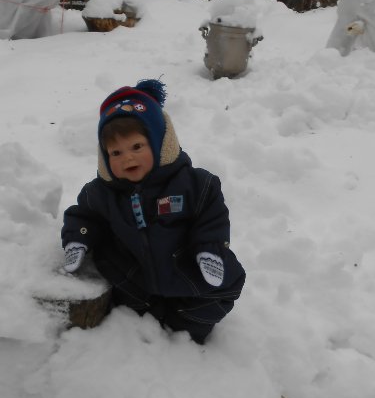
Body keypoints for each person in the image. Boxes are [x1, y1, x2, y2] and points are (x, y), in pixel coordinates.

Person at [61, 79, 245, 344]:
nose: (127, 158)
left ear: (159, 143)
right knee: (119, 289)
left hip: (185, 269)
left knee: (226, 284)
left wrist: (208, 248)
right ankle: (143, 328)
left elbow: (211, 216)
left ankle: (186, 333)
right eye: (116, 152)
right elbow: (84, 216)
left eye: (137, 147)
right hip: (134, 275)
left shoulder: (195, 184)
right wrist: (78, 238)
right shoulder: (100, 193)